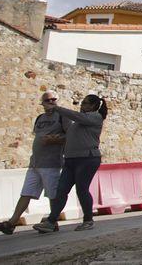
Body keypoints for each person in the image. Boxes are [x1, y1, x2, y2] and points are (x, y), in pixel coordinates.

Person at [0, 91, 66, 235]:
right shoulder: (40, 118)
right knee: (26, 193)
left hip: (51, 162)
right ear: (42, 103)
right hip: (35, 162)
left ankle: (52, 221)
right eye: (47, 100)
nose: (51, 102)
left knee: (52, 194)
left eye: (54, 99)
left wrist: (55, 139)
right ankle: (11, 223)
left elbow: (70, 136)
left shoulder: (63, 117)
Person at [33, 93, 108, 233]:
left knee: (82, 189)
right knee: (61, 190)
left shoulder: (95, 117)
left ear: (92, 106)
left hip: (87, 159)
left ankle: (88, 220)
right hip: (71, 159)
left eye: (85, 103)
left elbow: (77, 117)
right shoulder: (79, 122)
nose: (82, 105)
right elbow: (72, 133)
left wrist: (57, 108)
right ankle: (51, 221)